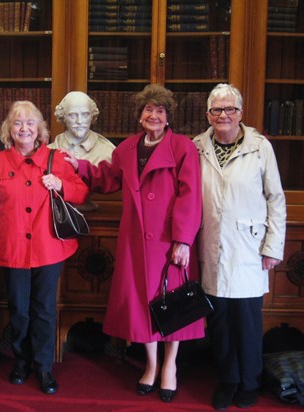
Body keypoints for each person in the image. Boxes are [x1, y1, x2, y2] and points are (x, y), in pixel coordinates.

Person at [64, 84, 203, 403]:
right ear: (140, 115)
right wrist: (79, 166)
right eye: (148, 110)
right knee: (143, 305)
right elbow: (108, 178)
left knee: (174, 302)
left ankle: (171, 366)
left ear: (169, 117)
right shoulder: (126, 149)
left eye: (160, 111)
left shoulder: (183, 148)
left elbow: (190, 195)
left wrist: (183, 240)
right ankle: (151, 365)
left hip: (170, 240)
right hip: (135, 240)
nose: (153, 115)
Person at [193, 83, 286, 410]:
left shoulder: (260, 147)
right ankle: (228, 380)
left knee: (246, 320)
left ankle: (249, 381)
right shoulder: (196, 147)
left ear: (241, 113)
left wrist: (273, 246)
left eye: (230, 109)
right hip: (212, 246)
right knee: (219, 322)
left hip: (249, 248)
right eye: (217, 110)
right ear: (208, 115)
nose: (224, 115)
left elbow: (276, 198)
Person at [0, 101, 89, 395]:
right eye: (18, 123)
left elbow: (81, 191)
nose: (24, 128)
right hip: (12, 247)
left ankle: (43, 366)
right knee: (18, 309)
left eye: (30, 123)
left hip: (48, 248)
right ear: (9, 129)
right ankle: (21, 361)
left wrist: (60, 184)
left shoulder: (57, 158)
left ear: (40, 129)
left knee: (44, 309)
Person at [49, 91, 116, 211]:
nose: (79, 121)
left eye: (85, 114)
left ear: (93, 116)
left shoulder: (108, 151)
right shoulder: (49, 151)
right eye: (73, 115)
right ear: (63, 117)